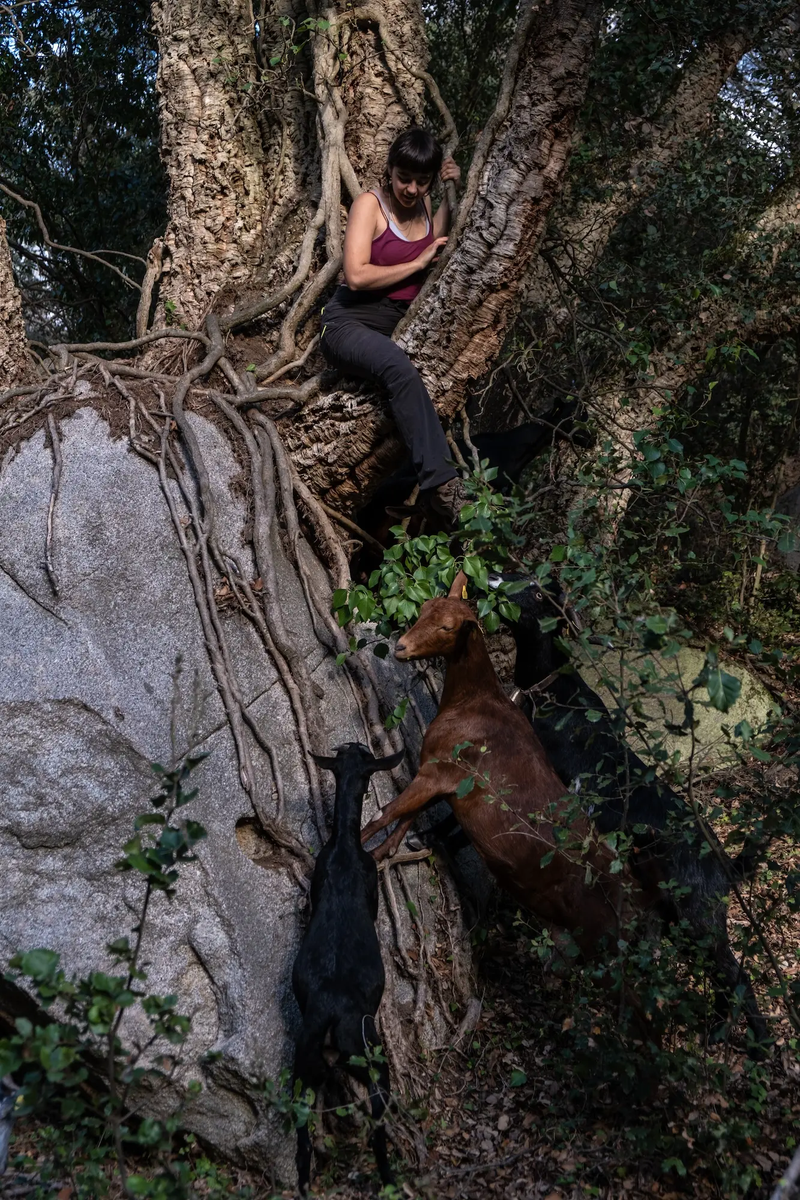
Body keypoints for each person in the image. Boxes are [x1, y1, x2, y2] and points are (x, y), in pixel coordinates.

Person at [320, 127, 466, 527]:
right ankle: (442, 487)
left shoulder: (424, 204)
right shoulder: (370, 205)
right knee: (398, 367)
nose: (412, 189)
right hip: (347, 322)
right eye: (404, 178)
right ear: (389, 170)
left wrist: (452, 190)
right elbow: (356, 276)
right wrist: (418, 266)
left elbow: (432, 240)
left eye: (422, 181)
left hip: (392, 324)